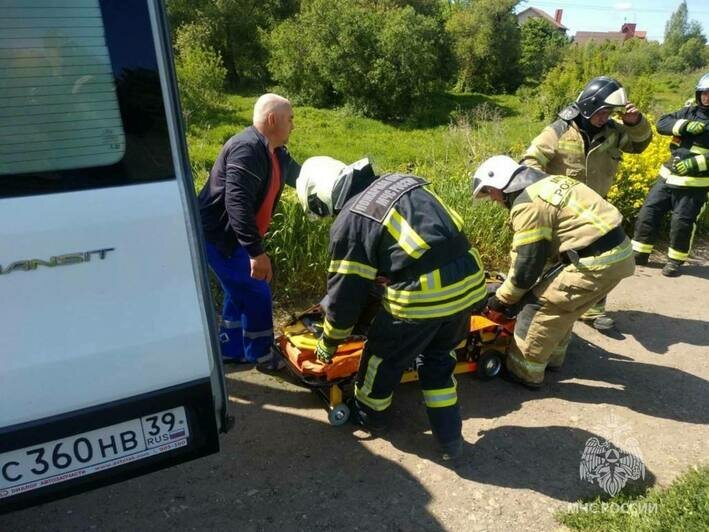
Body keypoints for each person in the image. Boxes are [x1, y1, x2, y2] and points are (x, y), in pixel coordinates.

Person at [296, 156, 487, 460]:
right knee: (438, 359)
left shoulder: (352, 219)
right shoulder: (398, 182)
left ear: (320, 199)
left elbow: (344, 299)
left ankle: (369, 415)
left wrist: (329, 344)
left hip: (424, 297)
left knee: (381, 358)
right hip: (469, 284)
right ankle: (451, 440)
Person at [472, 155, 636, 388]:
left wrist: (502, 299)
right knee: (563, 308)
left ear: (498, 184)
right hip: (617, 254)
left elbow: (527, 266)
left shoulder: (528, 203)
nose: (494, 200)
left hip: (593, 262)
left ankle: (524, 371)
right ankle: (552, 359)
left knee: (537, 308)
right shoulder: (551, 183)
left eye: (490, 193)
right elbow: (545, 250)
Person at [521, 76, 652, 330]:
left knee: (599, 259)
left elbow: (639, 145)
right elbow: (531, 161)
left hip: (598, 209)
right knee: (556, 260)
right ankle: (544, 304)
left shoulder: (612, 132)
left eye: (609, 113)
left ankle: (593, 311)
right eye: (602, 112)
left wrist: (635, 123)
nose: (605, 117)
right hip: (563, 211)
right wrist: (543, 196)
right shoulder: (559, 131)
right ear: (590, 106)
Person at [198, 93, 299, 363]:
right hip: (222, 238)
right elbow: (237, 204)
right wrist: (256, 253)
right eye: (290, 119)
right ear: (272, 119)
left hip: (237, 239)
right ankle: (262, 355)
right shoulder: (247, 149)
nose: (293, 125)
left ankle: (231, 349)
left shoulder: (275, 152)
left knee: (239, 290)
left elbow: (301, 178)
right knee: (256, 290)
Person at [632, 73, 709, 277]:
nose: (707, 97)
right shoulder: (689, 111)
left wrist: (697, 163)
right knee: (648, 214)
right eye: (705, 93)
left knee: (681, 224)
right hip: (667, 177)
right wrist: (683, 125)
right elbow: (662, 123)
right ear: (699, 94)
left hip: (694, 185)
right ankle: (639, 253)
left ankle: (675, 260)